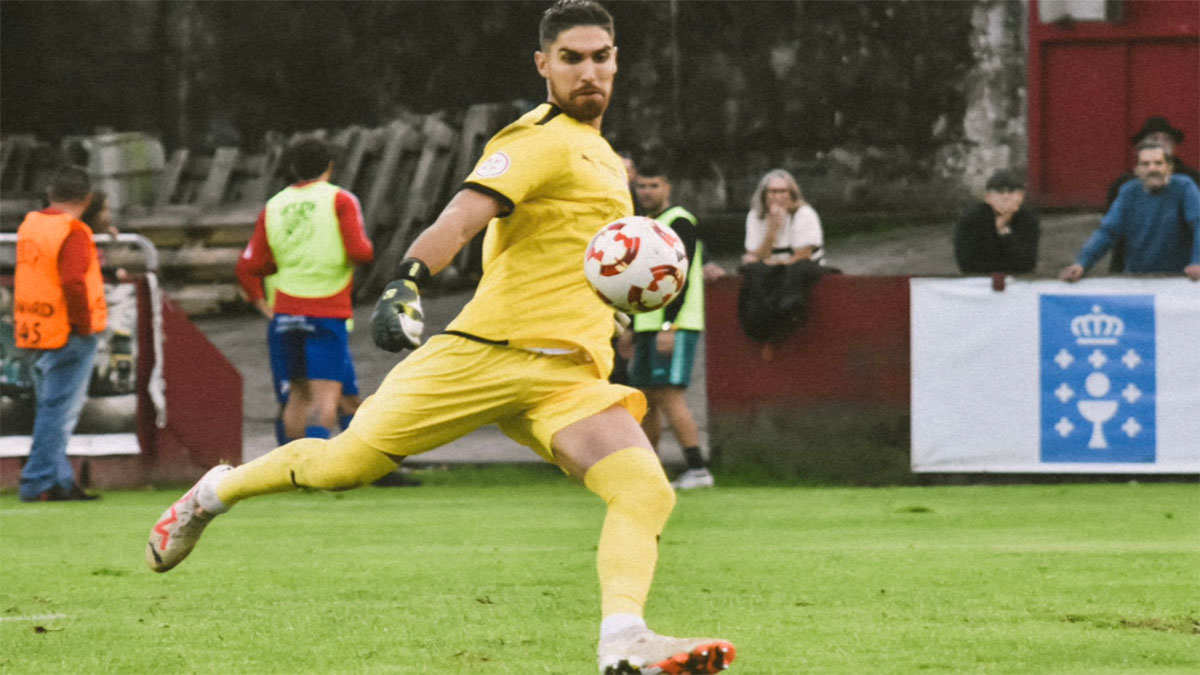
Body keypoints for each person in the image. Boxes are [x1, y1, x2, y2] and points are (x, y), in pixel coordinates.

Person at [145, 3, 736, 674]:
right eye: (572, 58)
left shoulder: (603, 157)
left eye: (601, 56)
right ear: (544, 65)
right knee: (344, 467)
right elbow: (462, 215)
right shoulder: (538, 136)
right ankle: (210, 494)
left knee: (644, 488)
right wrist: (407, 281)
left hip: (568, 375)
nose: (589, 71)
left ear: (617, 61)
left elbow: (573, 258)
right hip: (486, 354)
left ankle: (622, 640)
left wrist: (621, 311)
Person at [235, 137, 375, 441]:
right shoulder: (339, 200)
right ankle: (317, 470)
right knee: (324, 396)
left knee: (296, 396)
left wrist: (263, 305)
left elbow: (250, 265)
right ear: (330, 166)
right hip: (326, 309)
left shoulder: (274, 205)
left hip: (285, 312)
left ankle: (292, 473)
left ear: (293, 168)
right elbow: (360, 251)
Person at [620, 157, 720, 490]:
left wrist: (670, 326)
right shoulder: (642, 223)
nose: (646, 191)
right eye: (642, 185)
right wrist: (632, 327)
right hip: (647, 323)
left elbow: (680, 276)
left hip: (674, 323)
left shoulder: (680, 221)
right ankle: (650, 471)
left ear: (667, 187)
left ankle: (698, 468)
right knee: (645, 398)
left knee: (669, 394)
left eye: (654, 185)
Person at [13, 165, 105, 502]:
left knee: (50, 409)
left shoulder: (31, 225)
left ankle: (59, 481)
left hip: (35, 328)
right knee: (58, 412)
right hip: (68, 331)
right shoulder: (74, 230)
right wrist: (83, 325)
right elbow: (72, 281)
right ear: (87, 198)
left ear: (50, 194)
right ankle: (38, 481)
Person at [1060, 140, 1200, 282]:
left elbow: (1199, 224)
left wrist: (1197, 262)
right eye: (1145, 164)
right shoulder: (1128, 192)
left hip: (1180, 279)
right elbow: (1108, 232)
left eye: (1158, 163)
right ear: (1137, 170)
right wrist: (1082, 263)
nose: (1152, 169)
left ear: (1169, 167)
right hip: (1138, 278)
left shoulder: (1184, 187)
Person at [1104, 116, 1200, 272]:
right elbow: (1111, 230)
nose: (1161, 143)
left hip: (1185, 267)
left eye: (1167, 140)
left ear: (1175, 147)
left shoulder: (1193, 180)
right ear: (1141, 148)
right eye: (1154, 139)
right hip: (1135, 266)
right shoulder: (1124, 186)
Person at [953, 169, 1040, 275]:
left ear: (1021, 197)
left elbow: (1027, 264)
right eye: (1000, 192)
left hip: (1017, 282)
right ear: (988, 197)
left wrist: (1004, 232)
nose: (1006, 197)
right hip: (979, 281)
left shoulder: (1028, 220)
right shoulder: (971, 219)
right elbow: (967, 264)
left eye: (1012, 192)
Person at [742, 168, 824, 266]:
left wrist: (774, 265)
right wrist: (772, 231)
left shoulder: (804, 214)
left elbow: (803, 256)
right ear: (764, 195)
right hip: (768, 267)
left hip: (799, 268)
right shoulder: (755, 215)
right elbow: (756, 256)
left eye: (783, 191)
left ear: (792, 194)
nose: (777, 197)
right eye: (772, 192)